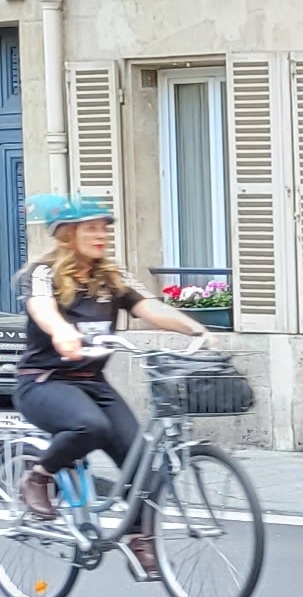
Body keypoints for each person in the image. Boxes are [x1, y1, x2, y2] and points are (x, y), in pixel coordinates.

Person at [16, 196, 214, 574]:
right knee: (90, 426)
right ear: (67, 234)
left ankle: (138, 536)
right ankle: (39, 476)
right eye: (91, 228)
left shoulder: (111, 275)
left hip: (93, 382)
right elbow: (41, 306)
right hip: (44, 381)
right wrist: (61, 331)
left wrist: (195, 329)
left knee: (142, 459)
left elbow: (149, 307)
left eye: (104, 228)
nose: (101, 235)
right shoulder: (43, 273)